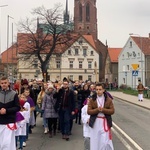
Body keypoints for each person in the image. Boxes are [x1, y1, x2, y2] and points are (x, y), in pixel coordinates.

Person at [87, 83, 115, 150]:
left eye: (100, 89)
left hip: (104, 122)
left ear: (103, 90)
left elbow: (112, 111)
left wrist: (103, 110)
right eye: (97, 89)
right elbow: (89, 111)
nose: (98, 91)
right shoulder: (92, 100)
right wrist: (97, 110)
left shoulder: (108, 100)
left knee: (104, 142)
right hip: (95, 122)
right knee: (95, 140)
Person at [0, 76, 20, 150]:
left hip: (9, 122)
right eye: (2, 83)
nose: (4, 84)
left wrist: (7, 110)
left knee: (7, 143)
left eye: (5, 83)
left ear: (8, 83)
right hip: (0, 122)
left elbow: (17, 107)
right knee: (1, 143)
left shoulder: (14, 94)